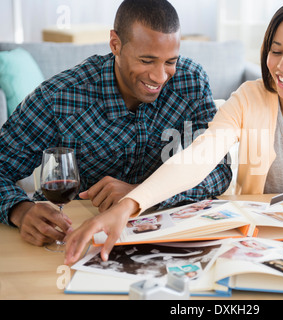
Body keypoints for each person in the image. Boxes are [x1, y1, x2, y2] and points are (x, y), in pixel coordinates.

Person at [64, 0, 283, 265]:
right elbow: (197, 157)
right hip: (264, 243)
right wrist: (128, 207)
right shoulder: (250, 98)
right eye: (276, 51)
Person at [0, 0, 232, 247]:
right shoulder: (60, 97)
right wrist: (20, 210)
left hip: (163, 233)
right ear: (116, 44)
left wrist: (142, 193)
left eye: (170, 62)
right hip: (73, 234)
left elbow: (219, 170)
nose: (160, 76)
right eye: (146, 60)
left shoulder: (191, 83)